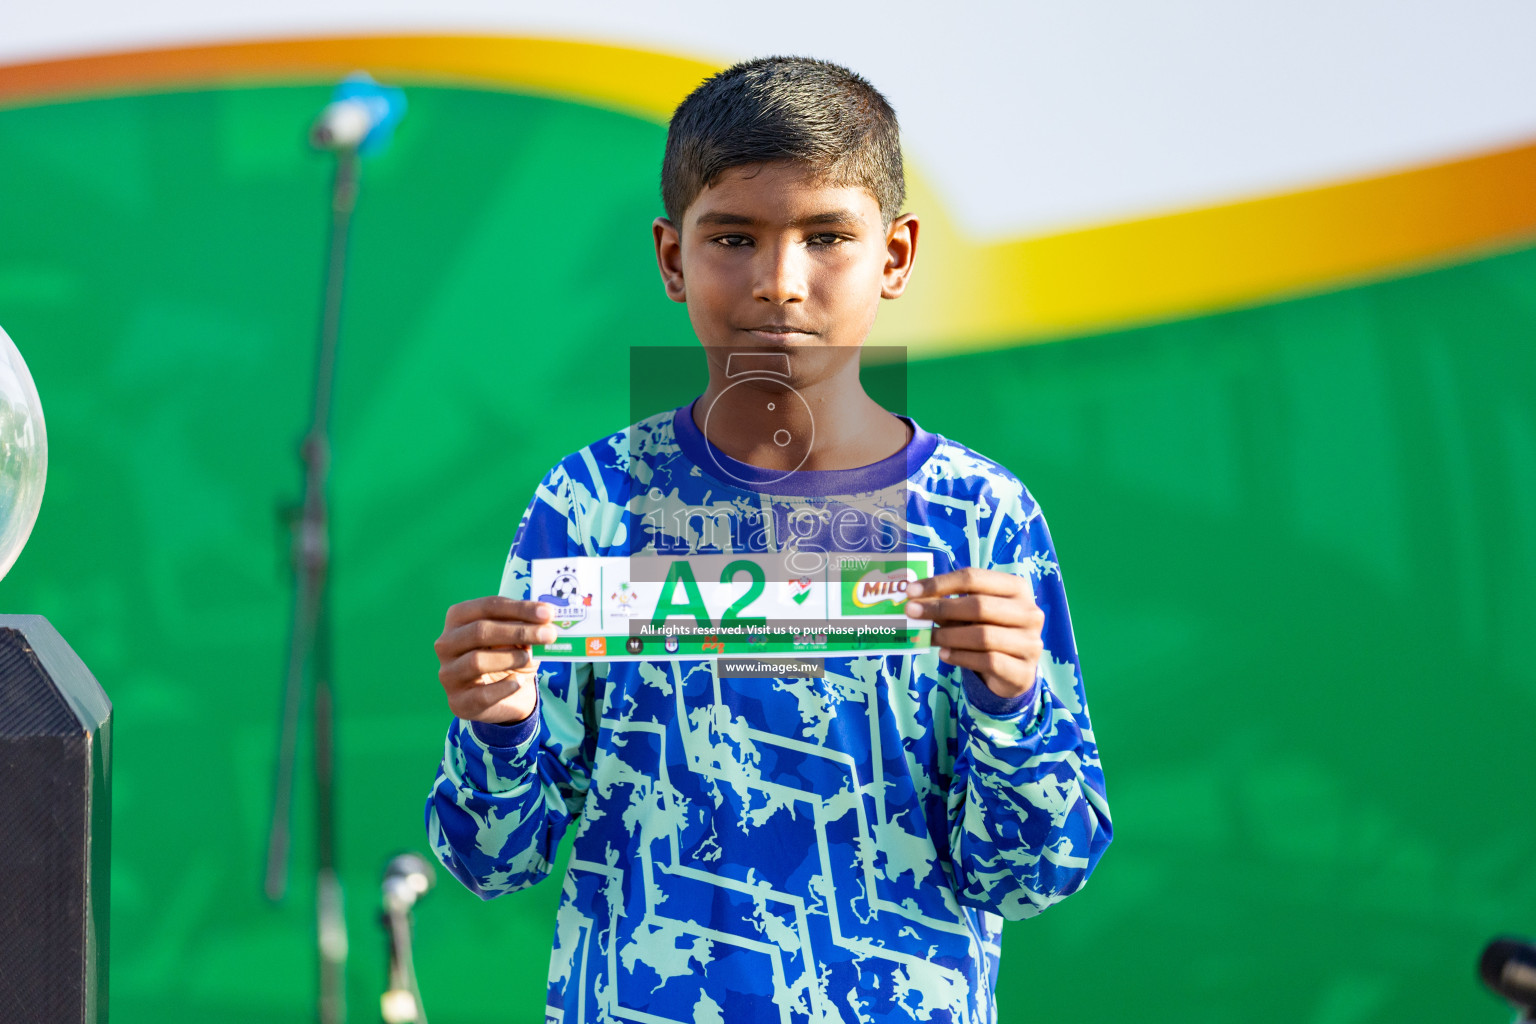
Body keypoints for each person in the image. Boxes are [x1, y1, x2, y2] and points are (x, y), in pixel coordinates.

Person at [426, 55, 1111, 1024]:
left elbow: (1038, 873)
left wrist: (1014, 705)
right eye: (734, 237)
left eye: (827, 235)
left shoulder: (980, 517)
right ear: (671, 258)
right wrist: (499, 724)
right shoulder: (589, 504)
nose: (779, 282)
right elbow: (493, 863)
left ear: (897, 255)